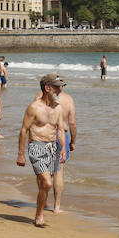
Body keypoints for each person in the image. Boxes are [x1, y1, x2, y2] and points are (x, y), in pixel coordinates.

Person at [16, 74, 67, 227]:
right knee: (47, 182)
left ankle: (39, 214)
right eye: (57, 86)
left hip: (53, 148)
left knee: (43, 185)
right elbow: (24, 130)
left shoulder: (58, 108)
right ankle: (39, 216)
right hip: (37, 146)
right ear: (47, 88)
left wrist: (63, 148)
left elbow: (60, 130)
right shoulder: (34, 108)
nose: (60, 90)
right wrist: (20, 154)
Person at [42, 72, 76, 213]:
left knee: (44, 171)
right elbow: (72, 123)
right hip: (61, 134)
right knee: (58, 172)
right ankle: (56, 207)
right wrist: (73, 141)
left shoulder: (41, 96)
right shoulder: (68, 99)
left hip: (45, 134)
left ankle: (42, 202)